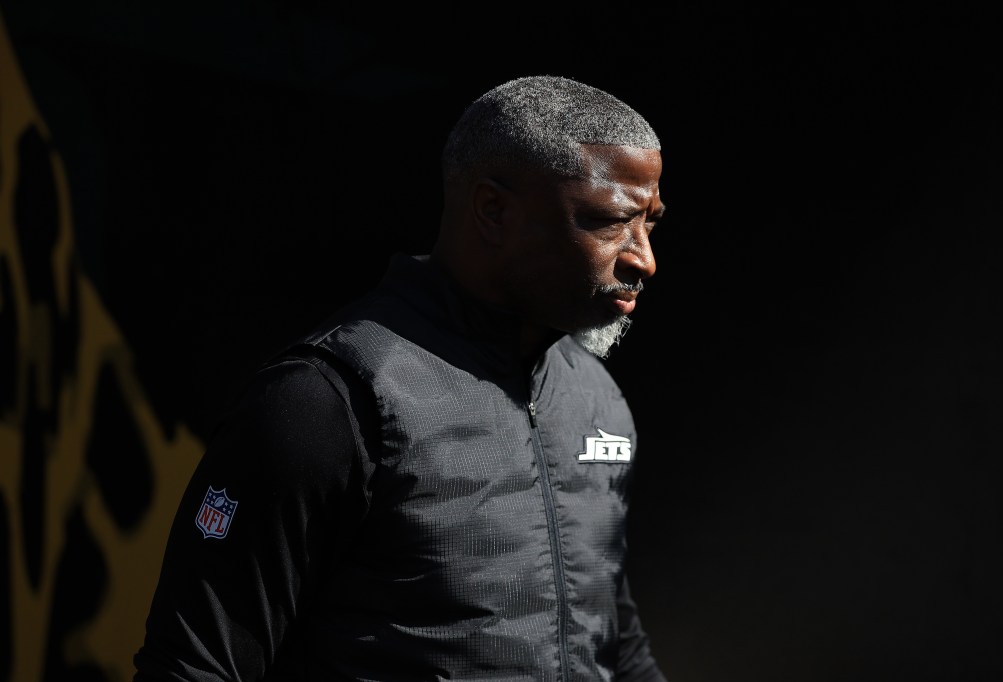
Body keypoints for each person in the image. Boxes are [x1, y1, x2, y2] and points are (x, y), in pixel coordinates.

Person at [133, 74, 669, 681]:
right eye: (611, 222)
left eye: (650, 222)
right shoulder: (327, 401)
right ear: (493, 211)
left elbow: (616, 645)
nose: (643, 257)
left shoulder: (597, 400)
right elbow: (194, 666)